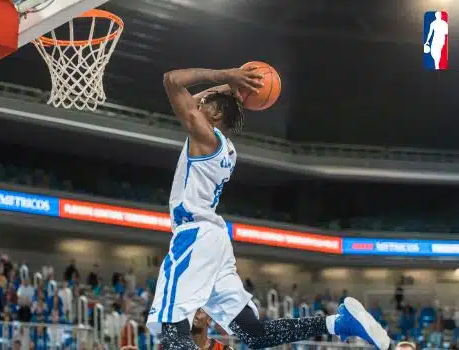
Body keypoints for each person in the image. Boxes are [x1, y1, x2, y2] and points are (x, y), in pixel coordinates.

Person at [146, 66, 391, 350]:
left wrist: (227, 75)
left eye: (203, 105)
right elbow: (192, 97)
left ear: (214, 116)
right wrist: (231, 89)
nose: (197, 103)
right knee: (254, 333)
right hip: (214, 241)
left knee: (173, 332)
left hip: (194, 236)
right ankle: (338, 323)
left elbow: (171, 81)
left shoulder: (205, 137)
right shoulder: (224, 147)